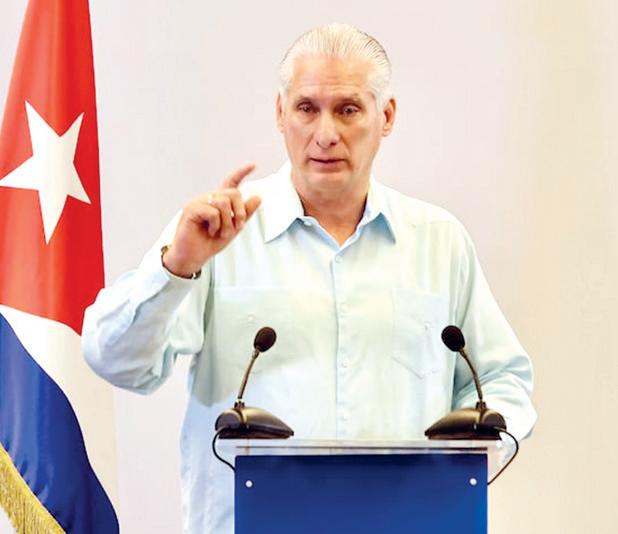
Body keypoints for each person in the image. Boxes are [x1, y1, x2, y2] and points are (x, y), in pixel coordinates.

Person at [82, 23, 536, 534]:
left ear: (386, 116)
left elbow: (504, 379)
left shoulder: (438, 240)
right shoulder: (218, 233)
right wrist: (177, 266)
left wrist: (463, 461)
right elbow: (114, 359)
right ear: (280, 113)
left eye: (348, 109)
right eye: (306, 108)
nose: (325, 134)